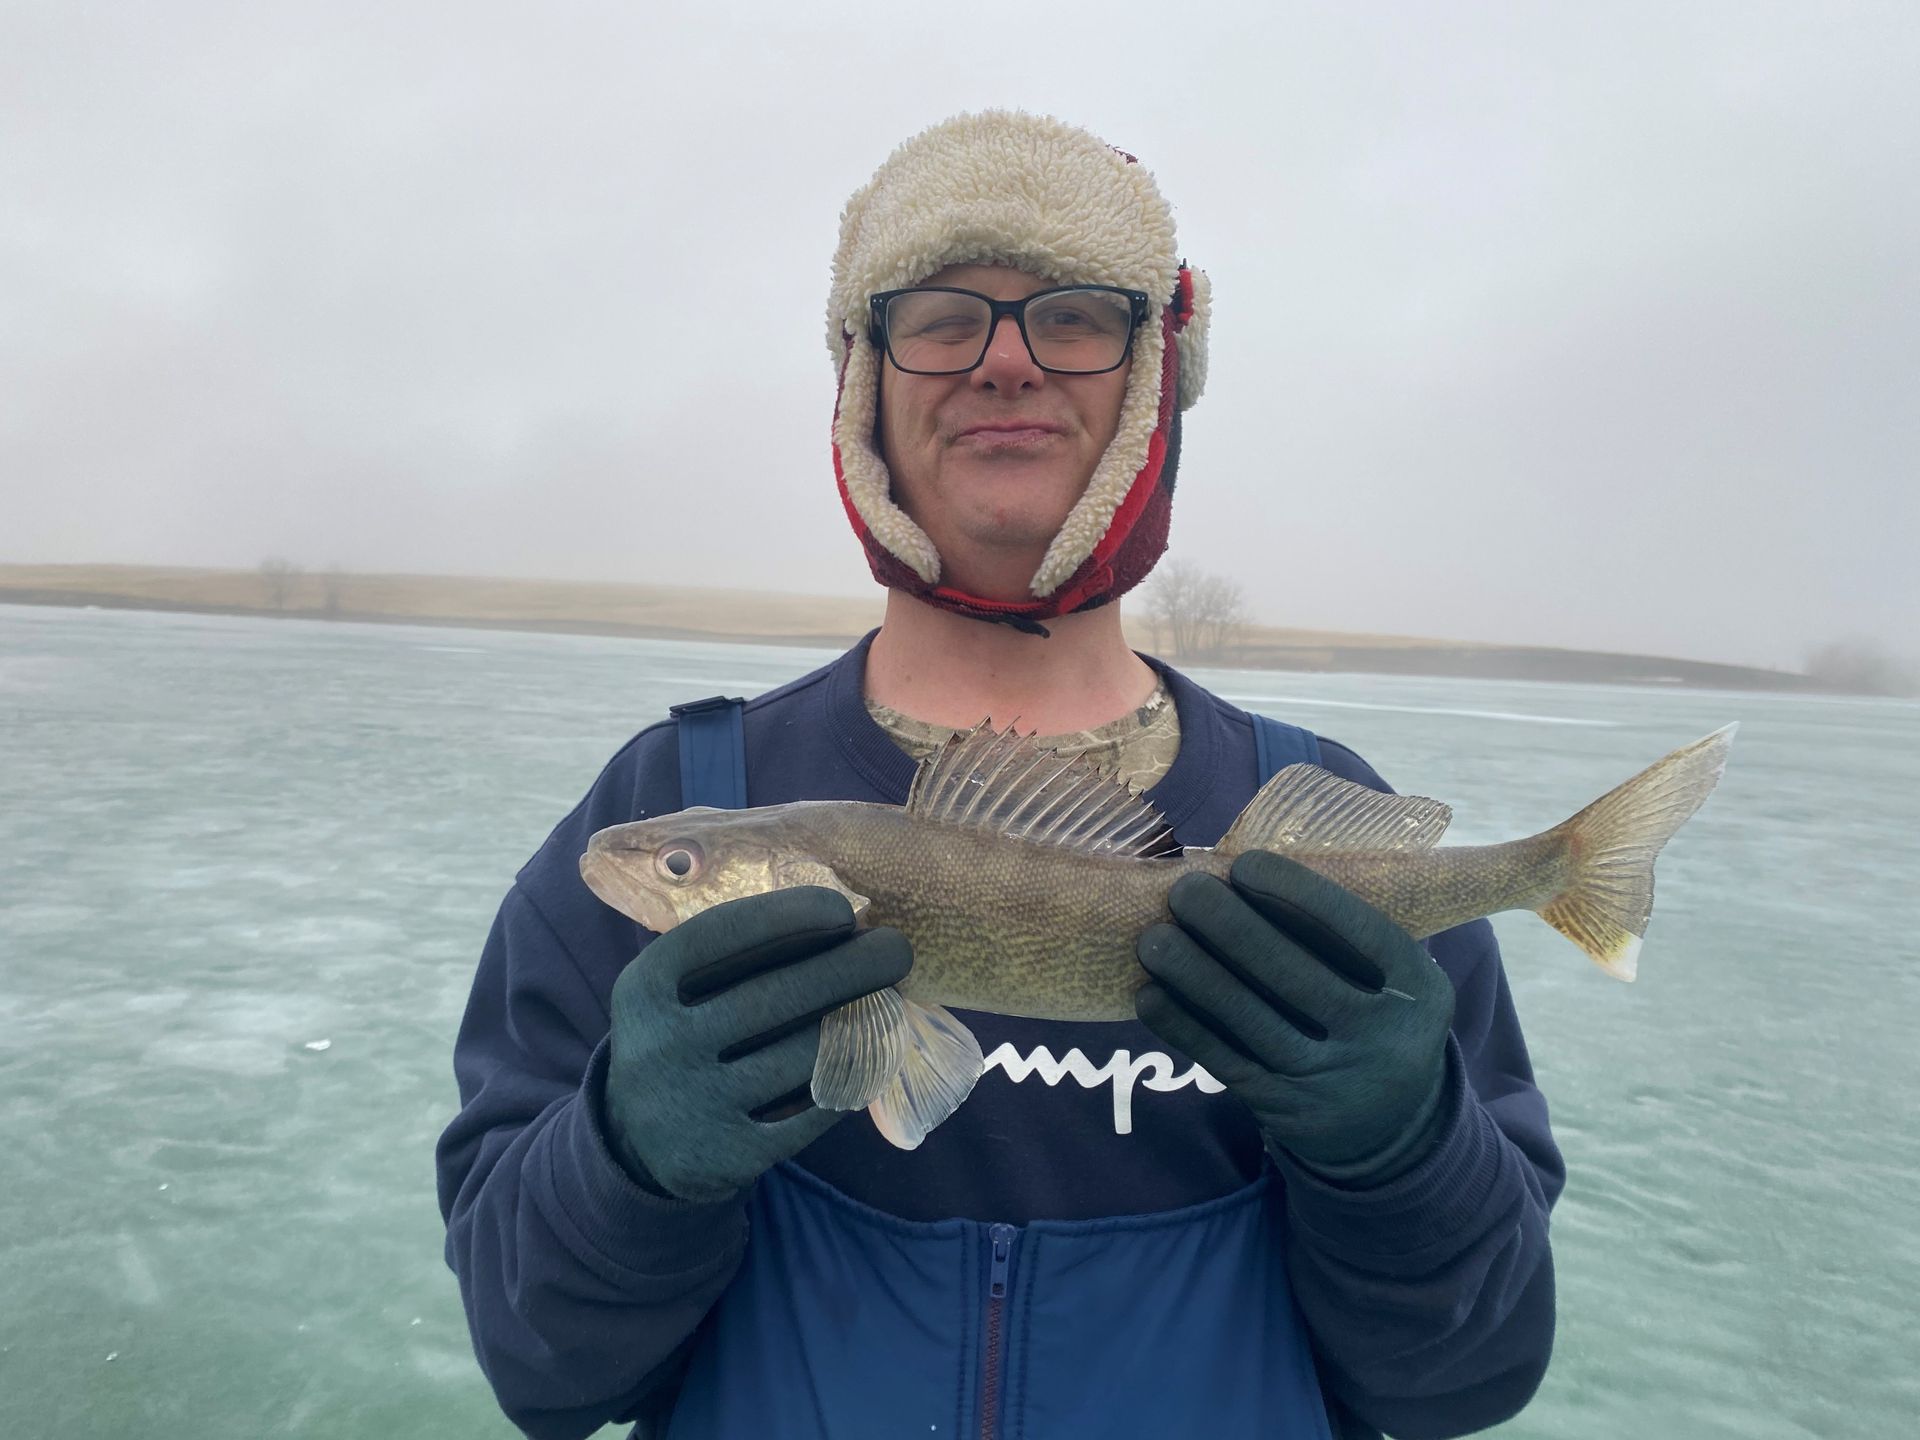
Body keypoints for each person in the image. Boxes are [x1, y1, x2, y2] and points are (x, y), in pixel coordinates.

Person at [437, 110, 1562, 1440]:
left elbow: (1466, 1386)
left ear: (1153, 382)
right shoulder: (666, 788)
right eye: (942, 315)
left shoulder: (1323, 842)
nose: (1008, 363)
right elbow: (541, 1376)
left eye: (1075, 317)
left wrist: (1404, 1153)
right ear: (865, 380)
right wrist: (625, 1163)